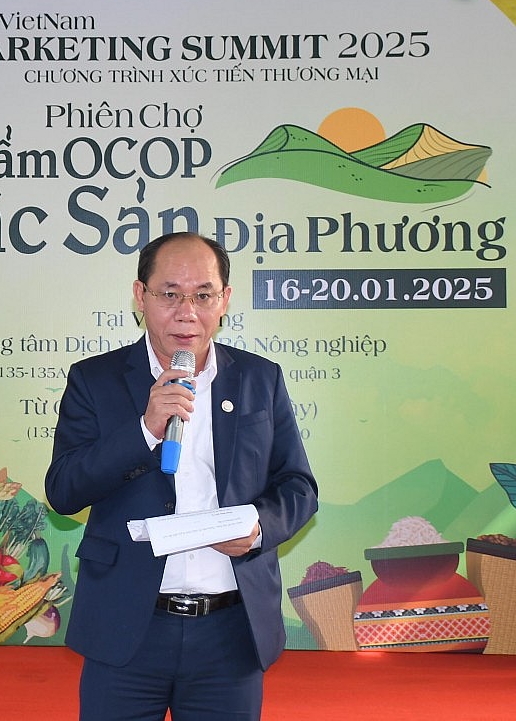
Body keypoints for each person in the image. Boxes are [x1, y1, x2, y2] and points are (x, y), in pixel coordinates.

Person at [45, 231, 319, 721]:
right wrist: (144, 430)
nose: (186, 312)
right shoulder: (94, 379)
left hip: (230, 632)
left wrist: (258, 528)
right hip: (127, 627)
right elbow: (64, 490)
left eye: (203, 295)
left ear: (225, 300)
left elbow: (299, 487)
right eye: (170, 294)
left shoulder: (260, 378)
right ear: (141, 296)